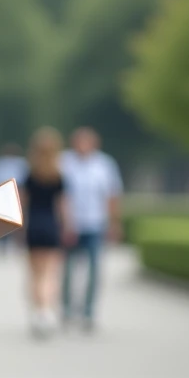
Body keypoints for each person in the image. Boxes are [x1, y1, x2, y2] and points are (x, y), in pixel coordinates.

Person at [59, 127, 123, 332]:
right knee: (68, 270)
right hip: (71, 224)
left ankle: (88, 311)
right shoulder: (65, 162)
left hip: (95, 223)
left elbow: (112, 196)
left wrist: (114, 223)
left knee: (94, 270)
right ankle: (67, 309)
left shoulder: (104, 164)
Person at [19, 127, 71, 337]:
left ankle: (38, 311)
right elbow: (62, 207)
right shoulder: (59, 176)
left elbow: (22, 204)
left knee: (35, 274)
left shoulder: (30, 175)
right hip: (51, 226)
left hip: (34, 225)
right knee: (51, 273)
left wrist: (19, 228)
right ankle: (47, 310)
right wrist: (67, 227)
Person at [0, 143, 28, 253]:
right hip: (2, 196)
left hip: (13, 196)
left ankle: (7, 238)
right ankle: (2, 239)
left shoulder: (20, 164)